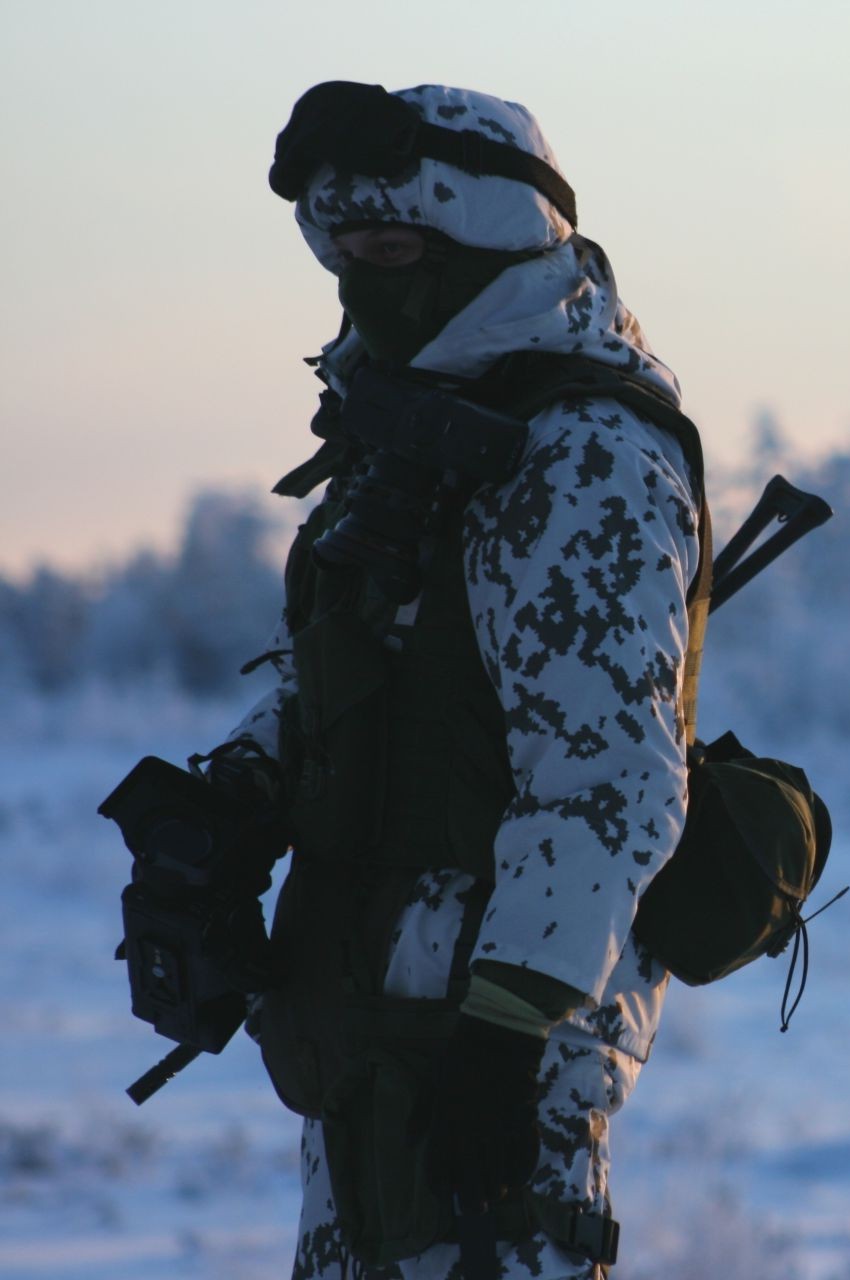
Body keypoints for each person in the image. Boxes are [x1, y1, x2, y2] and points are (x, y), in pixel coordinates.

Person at [216, 81, 706, 1279]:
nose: (359, 279)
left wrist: (506, 1024)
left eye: (388, 246)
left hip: (500, 1058)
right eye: (340, 250)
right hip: (364, 1023)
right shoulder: (400, 434)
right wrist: (226, 799)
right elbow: (335, 664)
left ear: (483, 237)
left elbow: (607, 778)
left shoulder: (583, 455)